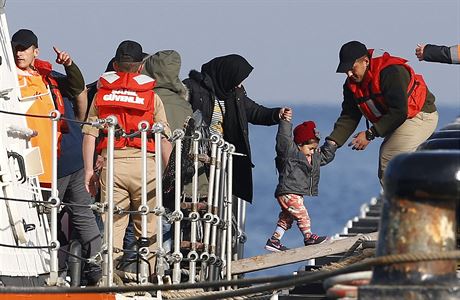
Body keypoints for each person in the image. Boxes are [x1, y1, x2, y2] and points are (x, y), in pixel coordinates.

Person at [82, 40, 172, 278]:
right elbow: (164, 140)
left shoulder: (101, 95)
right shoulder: (152, 98)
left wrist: (88, 172)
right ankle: (151, 275)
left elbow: (90, 135)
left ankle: (108, 276)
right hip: (146, 166)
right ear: (140, 67)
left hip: (113, 164)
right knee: (149, 223)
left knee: (113, 224)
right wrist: (168, 176)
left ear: (115, 65)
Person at [183, 54, 291, 203]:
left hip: (222, 155)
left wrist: (276, 113)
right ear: (227, 75)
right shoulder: (193, 88)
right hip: (196, 153)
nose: (239, 85)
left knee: (221, 199)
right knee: (199, 196)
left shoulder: (234, 93)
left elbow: (254, 111)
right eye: (237, 80)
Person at [328, 41, 438, 184]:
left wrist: (370, 134)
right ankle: (409, 200)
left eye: (352, 68)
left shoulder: (390, 72)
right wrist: (332, 144)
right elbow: (350, 116)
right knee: (400, 161)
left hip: (420, 116)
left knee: (389, 156)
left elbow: (399, 111)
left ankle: (397, 204)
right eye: (345, 71)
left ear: (365, 61)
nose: (349, 74)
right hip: (401, 120)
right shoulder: (352, 84)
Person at [12, 29, 83, 188]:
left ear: (35, 51)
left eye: (23, 49)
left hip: (52, 154)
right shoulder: (9, 78)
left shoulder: (47, 77)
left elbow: (77, 88)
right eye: (15, 49)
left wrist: (69, 65)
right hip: (25, 155)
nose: (19, 53)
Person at [265, 117, 337, 252]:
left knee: (287, 217)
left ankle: (274, 240)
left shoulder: (313, 156)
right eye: (310, 148)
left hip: (295, 192)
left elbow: (326, 156)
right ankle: (309, 237)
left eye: (314, 148)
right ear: (299, 144)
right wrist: (285, 122)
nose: (312, 151)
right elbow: (283, 139)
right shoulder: (290, 152)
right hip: (288, 191)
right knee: (302, 214)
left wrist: (332, 144)